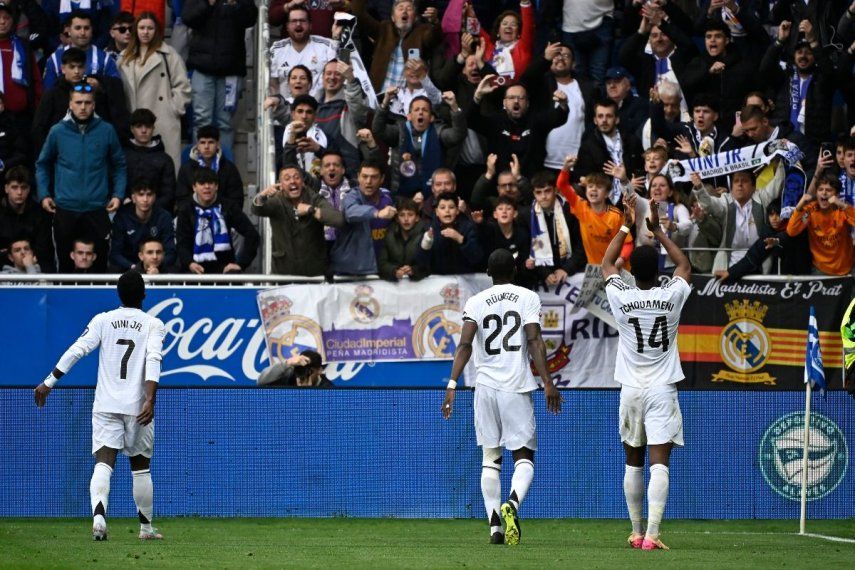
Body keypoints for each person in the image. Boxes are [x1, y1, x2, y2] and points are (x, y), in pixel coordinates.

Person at [34, 270, 167, 541]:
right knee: (140, 467)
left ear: (118, 294)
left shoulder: (103, 320)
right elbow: (154, 358)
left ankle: (98, 517)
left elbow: (77, 349)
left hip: (106, 403)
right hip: (137, 406)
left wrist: (49, 382)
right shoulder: (153, 324)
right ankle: (145, 528)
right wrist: (150, 398)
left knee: (103, 464)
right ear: (144, 294)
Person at [441, 248, 562, 545]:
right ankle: (512, 504)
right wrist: (547, 381)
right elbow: (534, 340)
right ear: (516, 270)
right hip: (516, 386)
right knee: (524, 456)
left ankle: (495, 527)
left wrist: (452, 385)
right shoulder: (527, 297)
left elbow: (465, 345)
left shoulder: (476, 301)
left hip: (484, 387)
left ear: (488, 272)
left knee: (490, 458)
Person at [601, 193, 692, 551]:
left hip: (630, 388)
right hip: (662, 388)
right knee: (660, 463)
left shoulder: (621, 296)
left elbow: (607, 264)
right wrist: (659, 231)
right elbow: (684, 267)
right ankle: (653, 535)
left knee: (632, 461)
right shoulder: (670, 295)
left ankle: (636, 531)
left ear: (632, 272)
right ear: (657, 272)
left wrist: (627, 223)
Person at [36, 83, 127, 273]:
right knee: (64, 265)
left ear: (94, 105)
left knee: (100, 264)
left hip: (97, 208)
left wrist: (118, 195)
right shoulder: (57, 131)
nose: (83, 107)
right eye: (78, 102)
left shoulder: (106, 130)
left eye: (87, 102)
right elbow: (42, 164)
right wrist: (44, 194)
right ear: (70, 104)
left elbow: (119, 165)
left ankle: (101, 303)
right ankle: (65, 302)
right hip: (65, 209)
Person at [118, 11, 192, 170]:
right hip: (135, 120)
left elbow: (183, 86)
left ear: (157, 30)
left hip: (162, 119)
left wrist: (173, 109)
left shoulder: (169, 55)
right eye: (142, 27)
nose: (145, 32)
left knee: (165, 170)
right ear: (135, 30)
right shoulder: (124, 57)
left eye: (150, 28)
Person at [181, 0, 258, 153]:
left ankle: (224, 167)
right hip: (202, 67)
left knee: (225, 123)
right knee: (202, 120)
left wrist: (236, 4)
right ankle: (199, 166)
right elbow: (188, 18)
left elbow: (250, 18)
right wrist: (207, 4)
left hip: (231, 68)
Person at [251, 164, 344, 276]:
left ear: (302, 182)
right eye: (287, 178)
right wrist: (263, 195)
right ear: (280, 184)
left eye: (296, 177)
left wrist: (311, 210)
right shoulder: (277, 201)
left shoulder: (314, 198)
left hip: (314, 275)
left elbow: (338, 220)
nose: (292, 181)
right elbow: (257, 209)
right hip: (283, 274)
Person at [175, 168, 259, 274]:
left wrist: (240, 264)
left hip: (225, 271)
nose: (207, 186)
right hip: (193, 271)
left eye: (211, 183)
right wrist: (189, 263)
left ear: (216, 186)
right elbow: (182, 243)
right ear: (194, 187)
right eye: (202, 183)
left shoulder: (228, 207)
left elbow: (252, 235)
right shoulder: (186, 210)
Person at [786, 175, 855, 276]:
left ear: (837, 194)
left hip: (847, 269)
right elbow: (791, 231)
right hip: (820, 270)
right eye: (820, 189)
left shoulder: (843, 209)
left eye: (829, 190)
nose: (824, 193)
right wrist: (800, 205)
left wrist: (842, 204)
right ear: (816, 193)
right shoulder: (810, 210)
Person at [110, 181, 176, 272]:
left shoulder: (164, 217)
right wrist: (135, 268)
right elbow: (115, 253)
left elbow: (170, 252)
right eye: (141, 195)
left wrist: (156, 267)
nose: (145, 199)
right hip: (129, 267)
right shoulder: (122, 217)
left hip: (157, 266)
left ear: (154, 197)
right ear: (133, 198)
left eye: (149, 195)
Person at [257, 349, 333, 388]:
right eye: (302, 368)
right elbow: (261, 382)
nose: (304, 373)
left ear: (319, 370)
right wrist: (287, 363)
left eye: (310, 371)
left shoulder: (328, 389)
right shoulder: (291, 375)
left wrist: (308, 393)